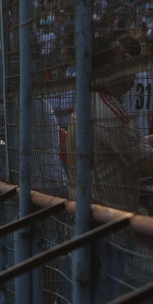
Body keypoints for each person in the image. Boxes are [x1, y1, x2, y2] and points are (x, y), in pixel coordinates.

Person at [67, 36, 153, 213]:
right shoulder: (108, 110)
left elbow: (128, 144)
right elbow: (149, 163)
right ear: (109, 71)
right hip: (113, 225)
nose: (130, 58)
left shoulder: (92, 100)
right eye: (123, 56)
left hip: (95, 218)